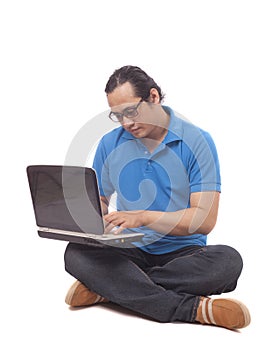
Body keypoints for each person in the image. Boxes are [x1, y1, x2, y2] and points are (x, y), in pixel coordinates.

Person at [64, 65, 251, 329]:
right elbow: (101, 201)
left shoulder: (197, 142)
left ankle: (109, 289)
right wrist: (89, 219)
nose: (126, 123)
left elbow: (204, 220)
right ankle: (194, 309)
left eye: (131, 111)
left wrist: (143, 217)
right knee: (75, 254)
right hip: (128, 250)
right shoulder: (109, 143)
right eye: (117, 116)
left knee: (228, 262)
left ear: (153, 97)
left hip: (184, 254)